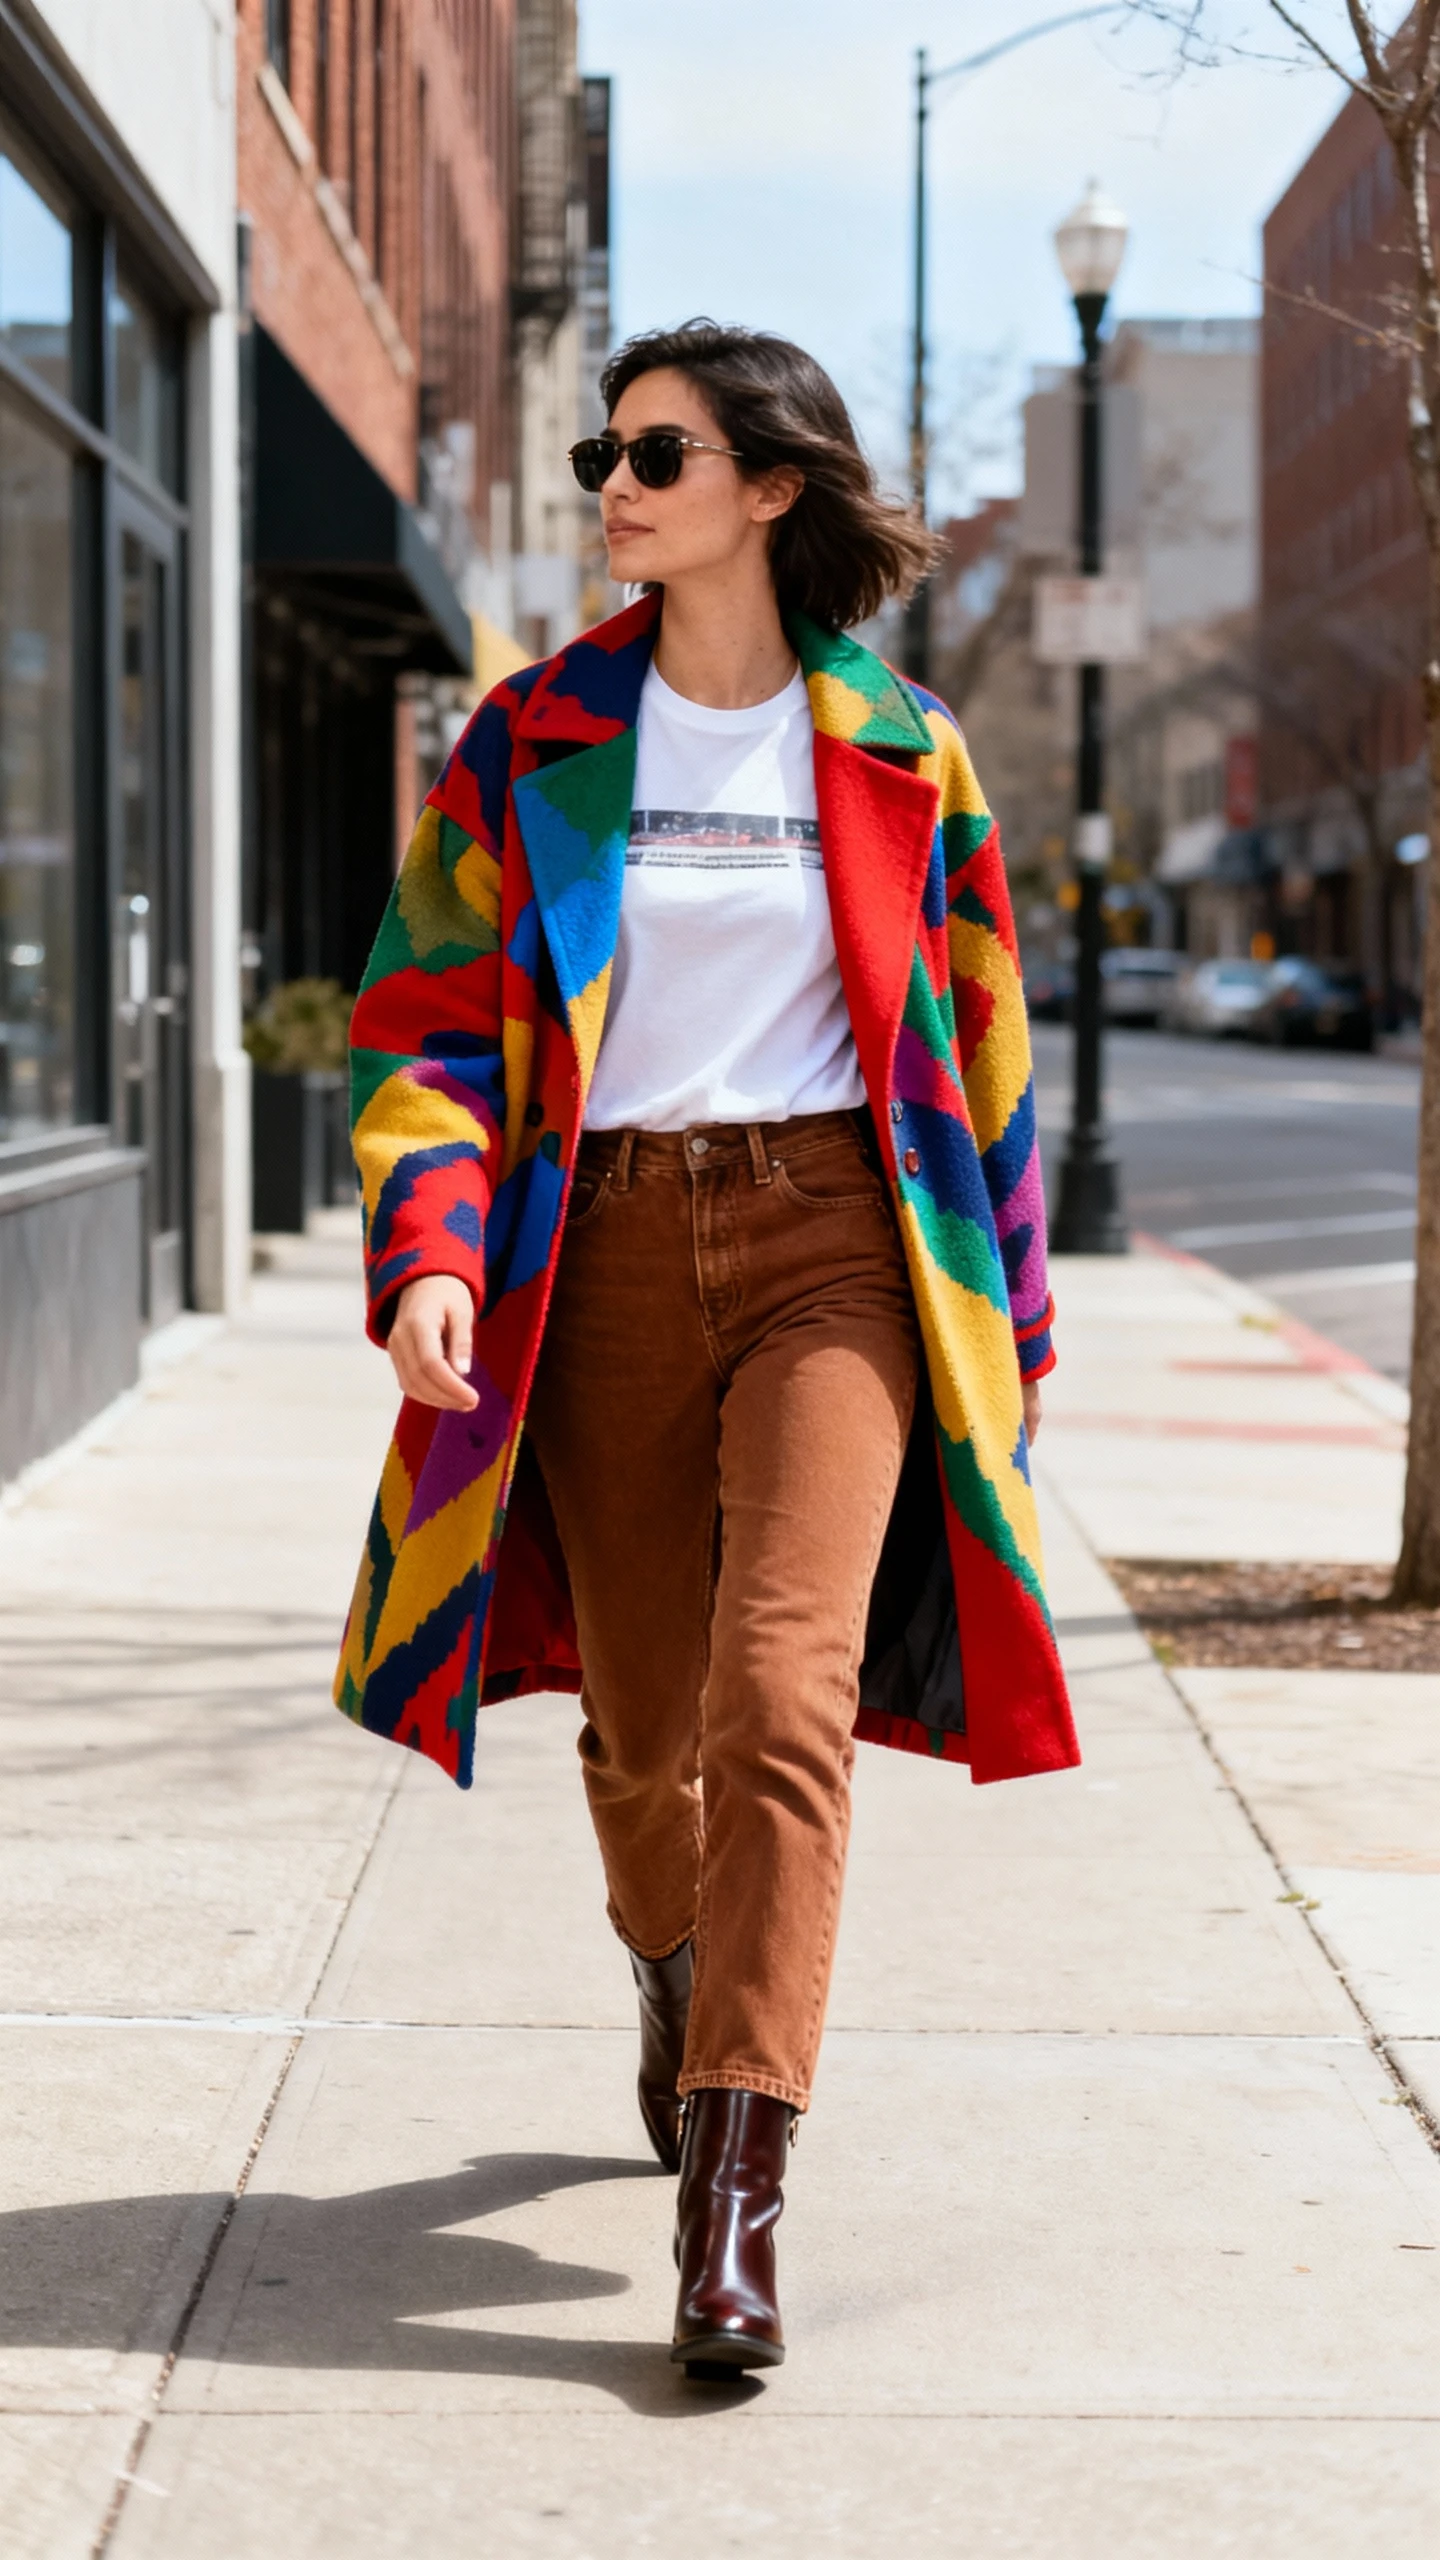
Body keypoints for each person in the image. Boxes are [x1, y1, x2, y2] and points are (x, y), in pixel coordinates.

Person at [335, 321, 1078, 2379]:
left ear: (770, 484)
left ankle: (733, 2187)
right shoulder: (531, 736)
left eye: (654, 448)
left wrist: (1010, 1325)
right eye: (606, 445)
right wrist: (427, 1247)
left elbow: (984, 1051)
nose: (613, 479)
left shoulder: (902, 748)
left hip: (840, 1238)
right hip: (605, 1256)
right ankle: (668, 1957)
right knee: (647, 1721)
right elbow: (418, 1026)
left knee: (781, 1699)